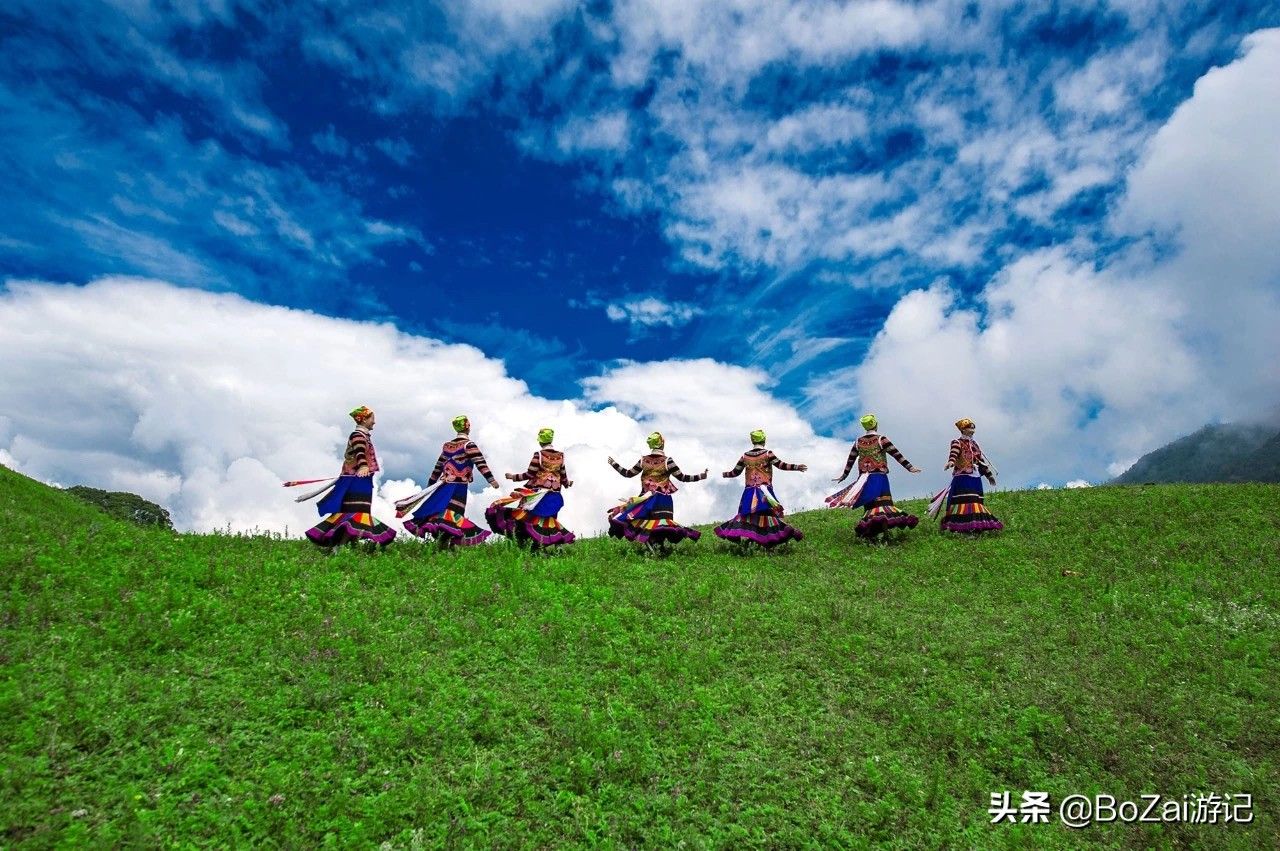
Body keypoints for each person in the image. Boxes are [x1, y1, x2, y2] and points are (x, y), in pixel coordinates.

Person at [397, 414, 500, 547]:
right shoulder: (469, 445)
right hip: (457, 488)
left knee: (442, 516)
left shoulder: (448, 446)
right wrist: (491, 480)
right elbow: (481, 463)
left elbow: (438, 467)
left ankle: (443, 545)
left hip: (443, 486)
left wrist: (430, 486)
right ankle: (445, 546)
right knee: (452, 517)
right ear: (468, 426)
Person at [301, 406, 396, 549]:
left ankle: (348, 544)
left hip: (362, 480)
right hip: (356, 480)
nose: (374, 422)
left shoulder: (363, 436)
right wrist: (363, 466)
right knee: (355, 512)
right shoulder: (357, 435)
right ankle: (340, 546)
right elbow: (359, 452)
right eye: (372, 419)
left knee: (359, 512)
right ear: (364, 420)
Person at [826, 414, 921, 538]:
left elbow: (851, 459)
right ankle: (885, 534)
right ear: (876, 424)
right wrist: (909, 467)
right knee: (884, 505)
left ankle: (874, 534)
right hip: (879, 478)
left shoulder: (858, 442)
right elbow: (896, 454)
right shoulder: (882, 439)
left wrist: (844, 475)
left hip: (864, 480)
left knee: (872, 507)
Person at [607, 431, 707, 546]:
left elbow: (627, 473)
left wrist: (614, 464)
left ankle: (651, 547)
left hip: (645, 500)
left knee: (643, 525)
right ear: (662, 443)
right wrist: (700, 476)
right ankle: (659, 549)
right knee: (662, 527)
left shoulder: (643, 461)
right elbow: (682, 477)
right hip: (662, 501)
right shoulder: (667, 461)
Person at [714, 429, 807, 547]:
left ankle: (754, 541)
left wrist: (725, 474)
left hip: (749, 492)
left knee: (748, 517)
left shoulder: (745, 456)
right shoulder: (768, 454)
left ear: (752, 441)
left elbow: (735, 472)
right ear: (764, 440)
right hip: (764, 492)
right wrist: (796, 467)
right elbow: (781, 465)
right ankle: (781, 536)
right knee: (770, 517)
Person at [485, 428, 576, 547]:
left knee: (527, 519)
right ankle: (552, 545)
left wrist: (513, 477)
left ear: (540, 442)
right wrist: (567, 483)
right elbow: (563, 476)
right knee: (549, 521)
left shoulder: (538, 455)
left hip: (537, 496)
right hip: (554, 496)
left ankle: (529, 545)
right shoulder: (561, 456)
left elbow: (529, 474)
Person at [931, 417, 1004, 533]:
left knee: (977, 501)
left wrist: (989, 475)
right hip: (962, 476)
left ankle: (976, 527)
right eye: (969, 427)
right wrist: (951, 462)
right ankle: (962, 527)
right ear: (963, 430)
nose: (972, 429)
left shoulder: (974, 444)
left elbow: (980, 460)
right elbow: (954, 454)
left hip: (975, 476)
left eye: (973, 427)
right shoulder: (957, 442)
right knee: (967, 501)